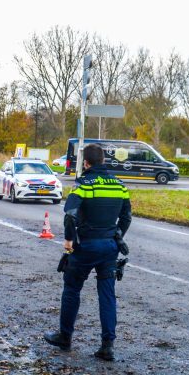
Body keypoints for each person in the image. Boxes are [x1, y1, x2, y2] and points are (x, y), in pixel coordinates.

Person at [45, 143, 131, 360]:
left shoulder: (84, 184)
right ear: (103, 161)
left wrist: (68, 241)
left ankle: (65, 337)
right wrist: (117, 235)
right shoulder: (119, 185)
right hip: (110, 246)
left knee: (72, 289)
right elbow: (126, 217)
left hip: (85, 245)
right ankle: (107, 345)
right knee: (107, 294)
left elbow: (70, 215)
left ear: (86, 163)